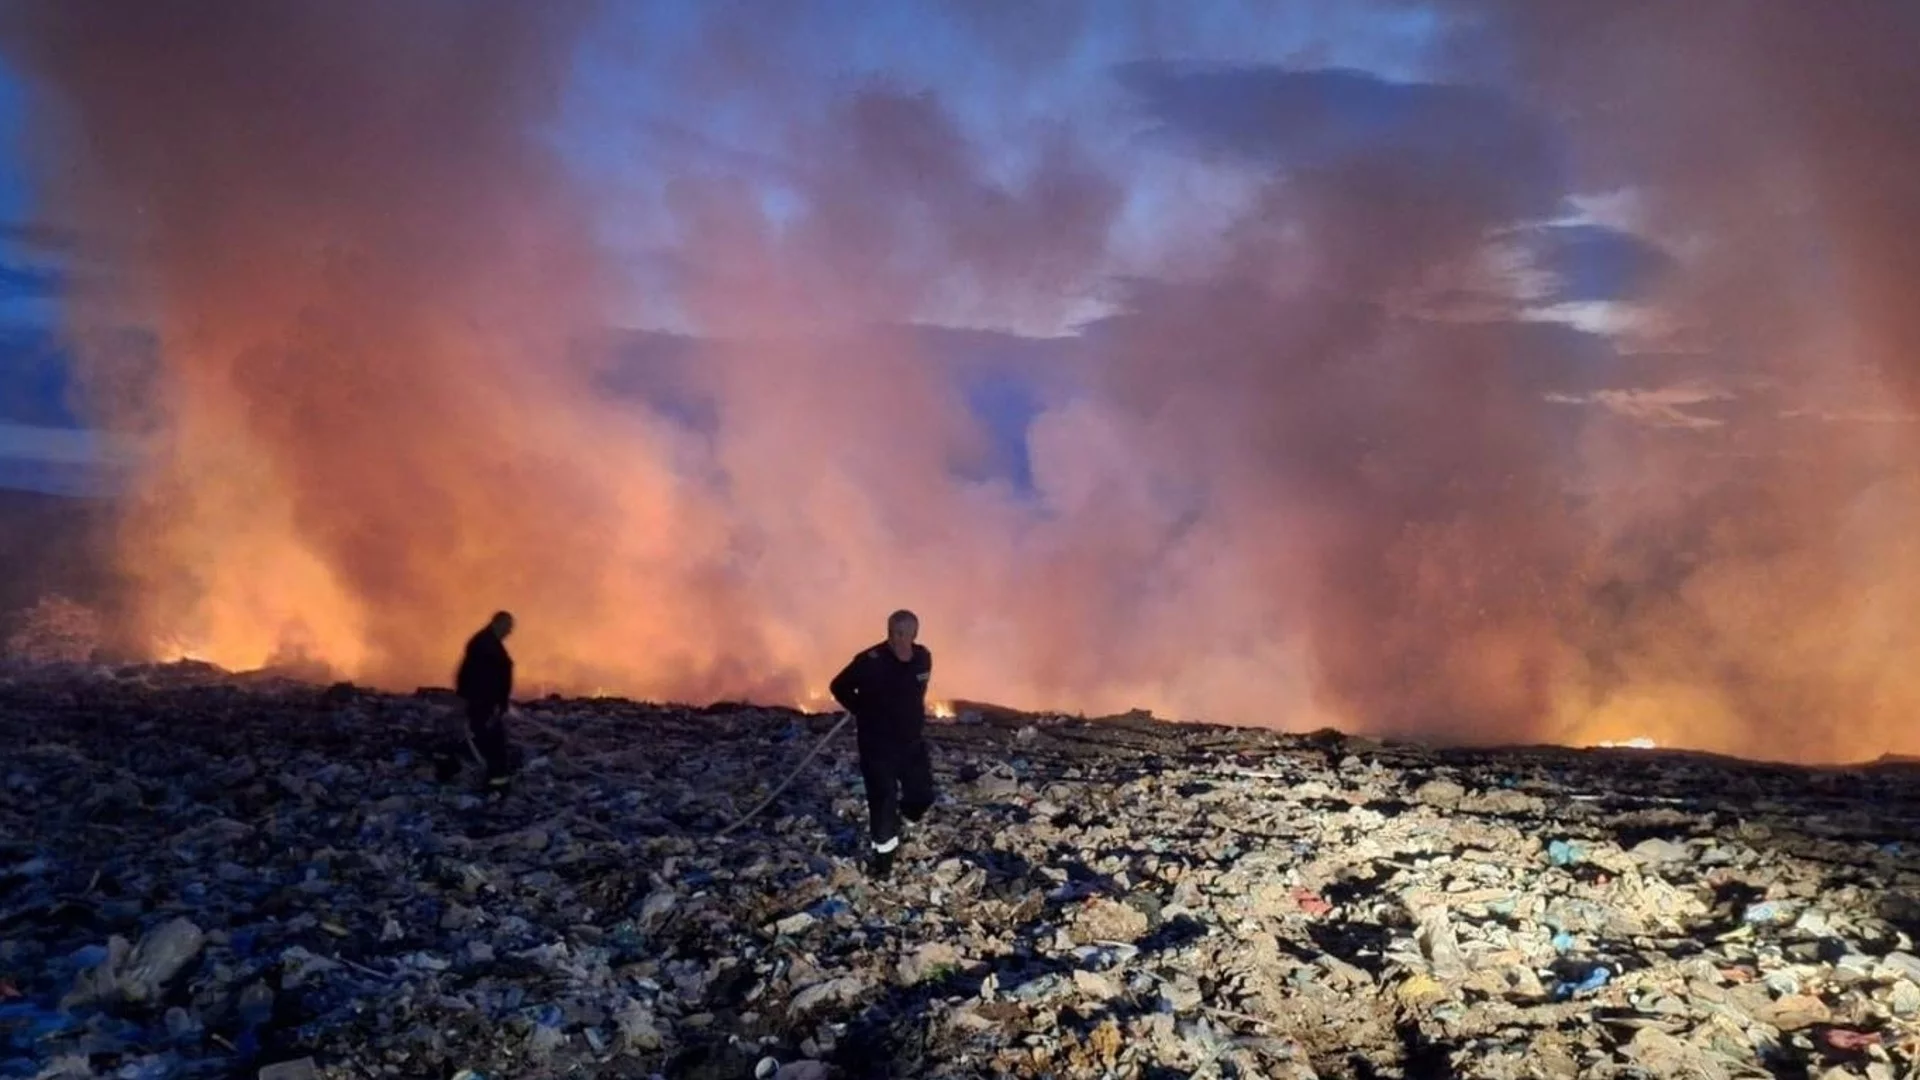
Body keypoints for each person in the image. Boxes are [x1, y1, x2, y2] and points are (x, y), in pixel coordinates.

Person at [829, 609, 934, 879]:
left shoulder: (923, 658)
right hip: (878, 745)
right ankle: (883, 863)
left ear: (914, 634)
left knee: (922, 795)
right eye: (893, 632)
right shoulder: (870, 661)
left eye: (903, 633)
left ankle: (904, 818)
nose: (897, 638)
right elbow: (838, 686)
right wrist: (860, 708)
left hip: (911, 744)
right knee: (883, 800)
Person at [455, 610, 516, 788]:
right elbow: (483, 677)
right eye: (507, 627)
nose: (509, 632)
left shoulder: (487, 642)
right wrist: (492, 702)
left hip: (485, 702)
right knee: (492, 743)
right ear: (497, 623)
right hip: (484, 703)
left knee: (490, 741)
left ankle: (494, 779)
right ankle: (496, 784)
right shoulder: (485, 645)